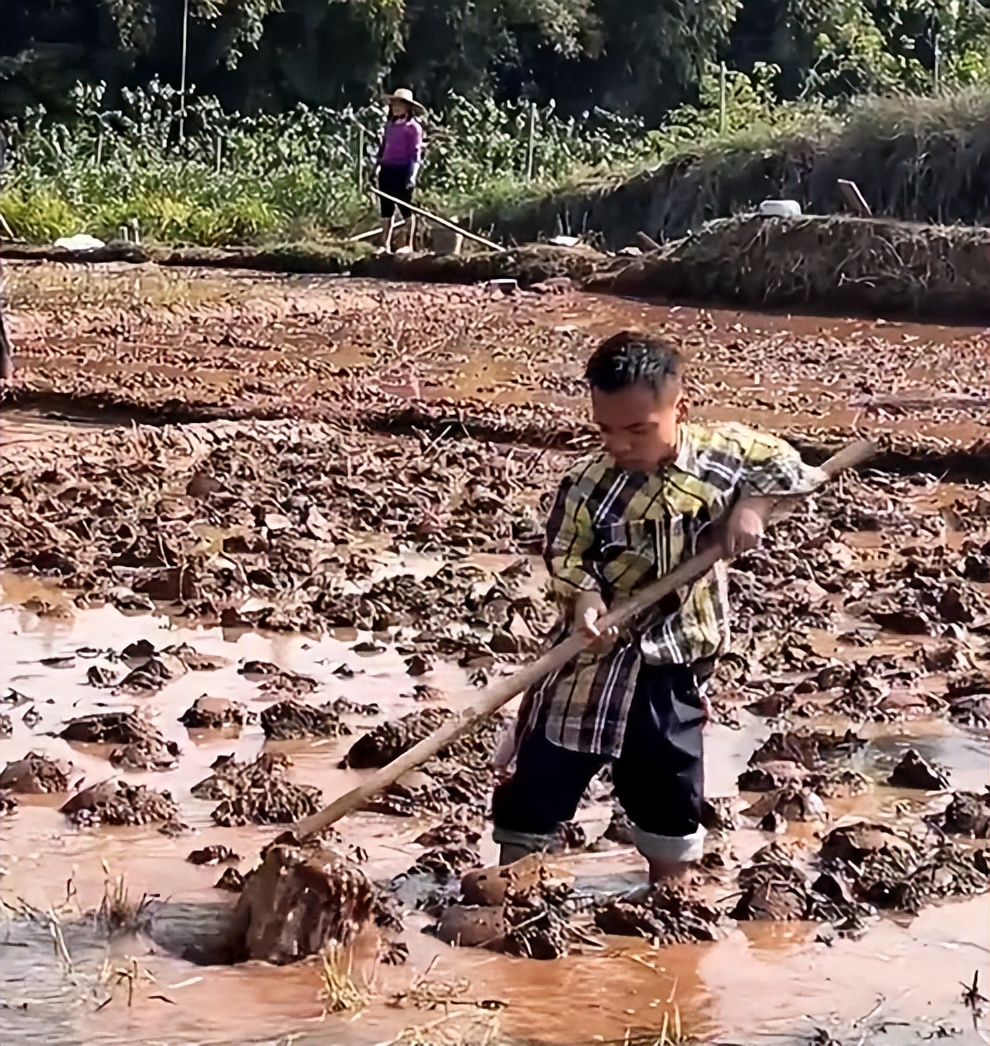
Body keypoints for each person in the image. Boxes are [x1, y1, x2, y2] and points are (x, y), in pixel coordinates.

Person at [491, 330, 827, 885]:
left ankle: (670, 890)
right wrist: (587, 596)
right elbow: (564, 553)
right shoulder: (588, 485)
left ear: (679, 409)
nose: (621, 444)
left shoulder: (725, 455)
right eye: (606, 430)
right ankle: (515, 881)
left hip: (671, 656)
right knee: (543, 771)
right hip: (592, 657)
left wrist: (753, 508)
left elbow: (789, 467)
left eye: (638, 429)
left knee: (667, 778)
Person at [374, 87, 424, 253]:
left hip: (403, 170)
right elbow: (383, 148)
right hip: (387, 169)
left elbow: (416, 155)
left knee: (405, 208)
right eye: (394, 104)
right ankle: (385, 245)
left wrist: (412, 176)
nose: (395, 107)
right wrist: (376, 167)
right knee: (386, 209)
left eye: (400, 104)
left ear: (407, 107)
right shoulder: (390, 126)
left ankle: (409, 244)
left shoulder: (413, 128)